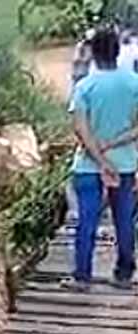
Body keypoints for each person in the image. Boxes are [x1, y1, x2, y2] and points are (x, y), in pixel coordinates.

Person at [68, 26, 138, 291]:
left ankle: (82, 276)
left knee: (86, 220)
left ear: (94, 54)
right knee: (124, 220)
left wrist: (99, 159)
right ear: (117, 52)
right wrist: (114, 146)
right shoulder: (134, 83)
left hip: (87, 165)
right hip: (126, 163)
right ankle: (123, 274)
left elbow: (80, 128)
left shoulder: (85, 86)